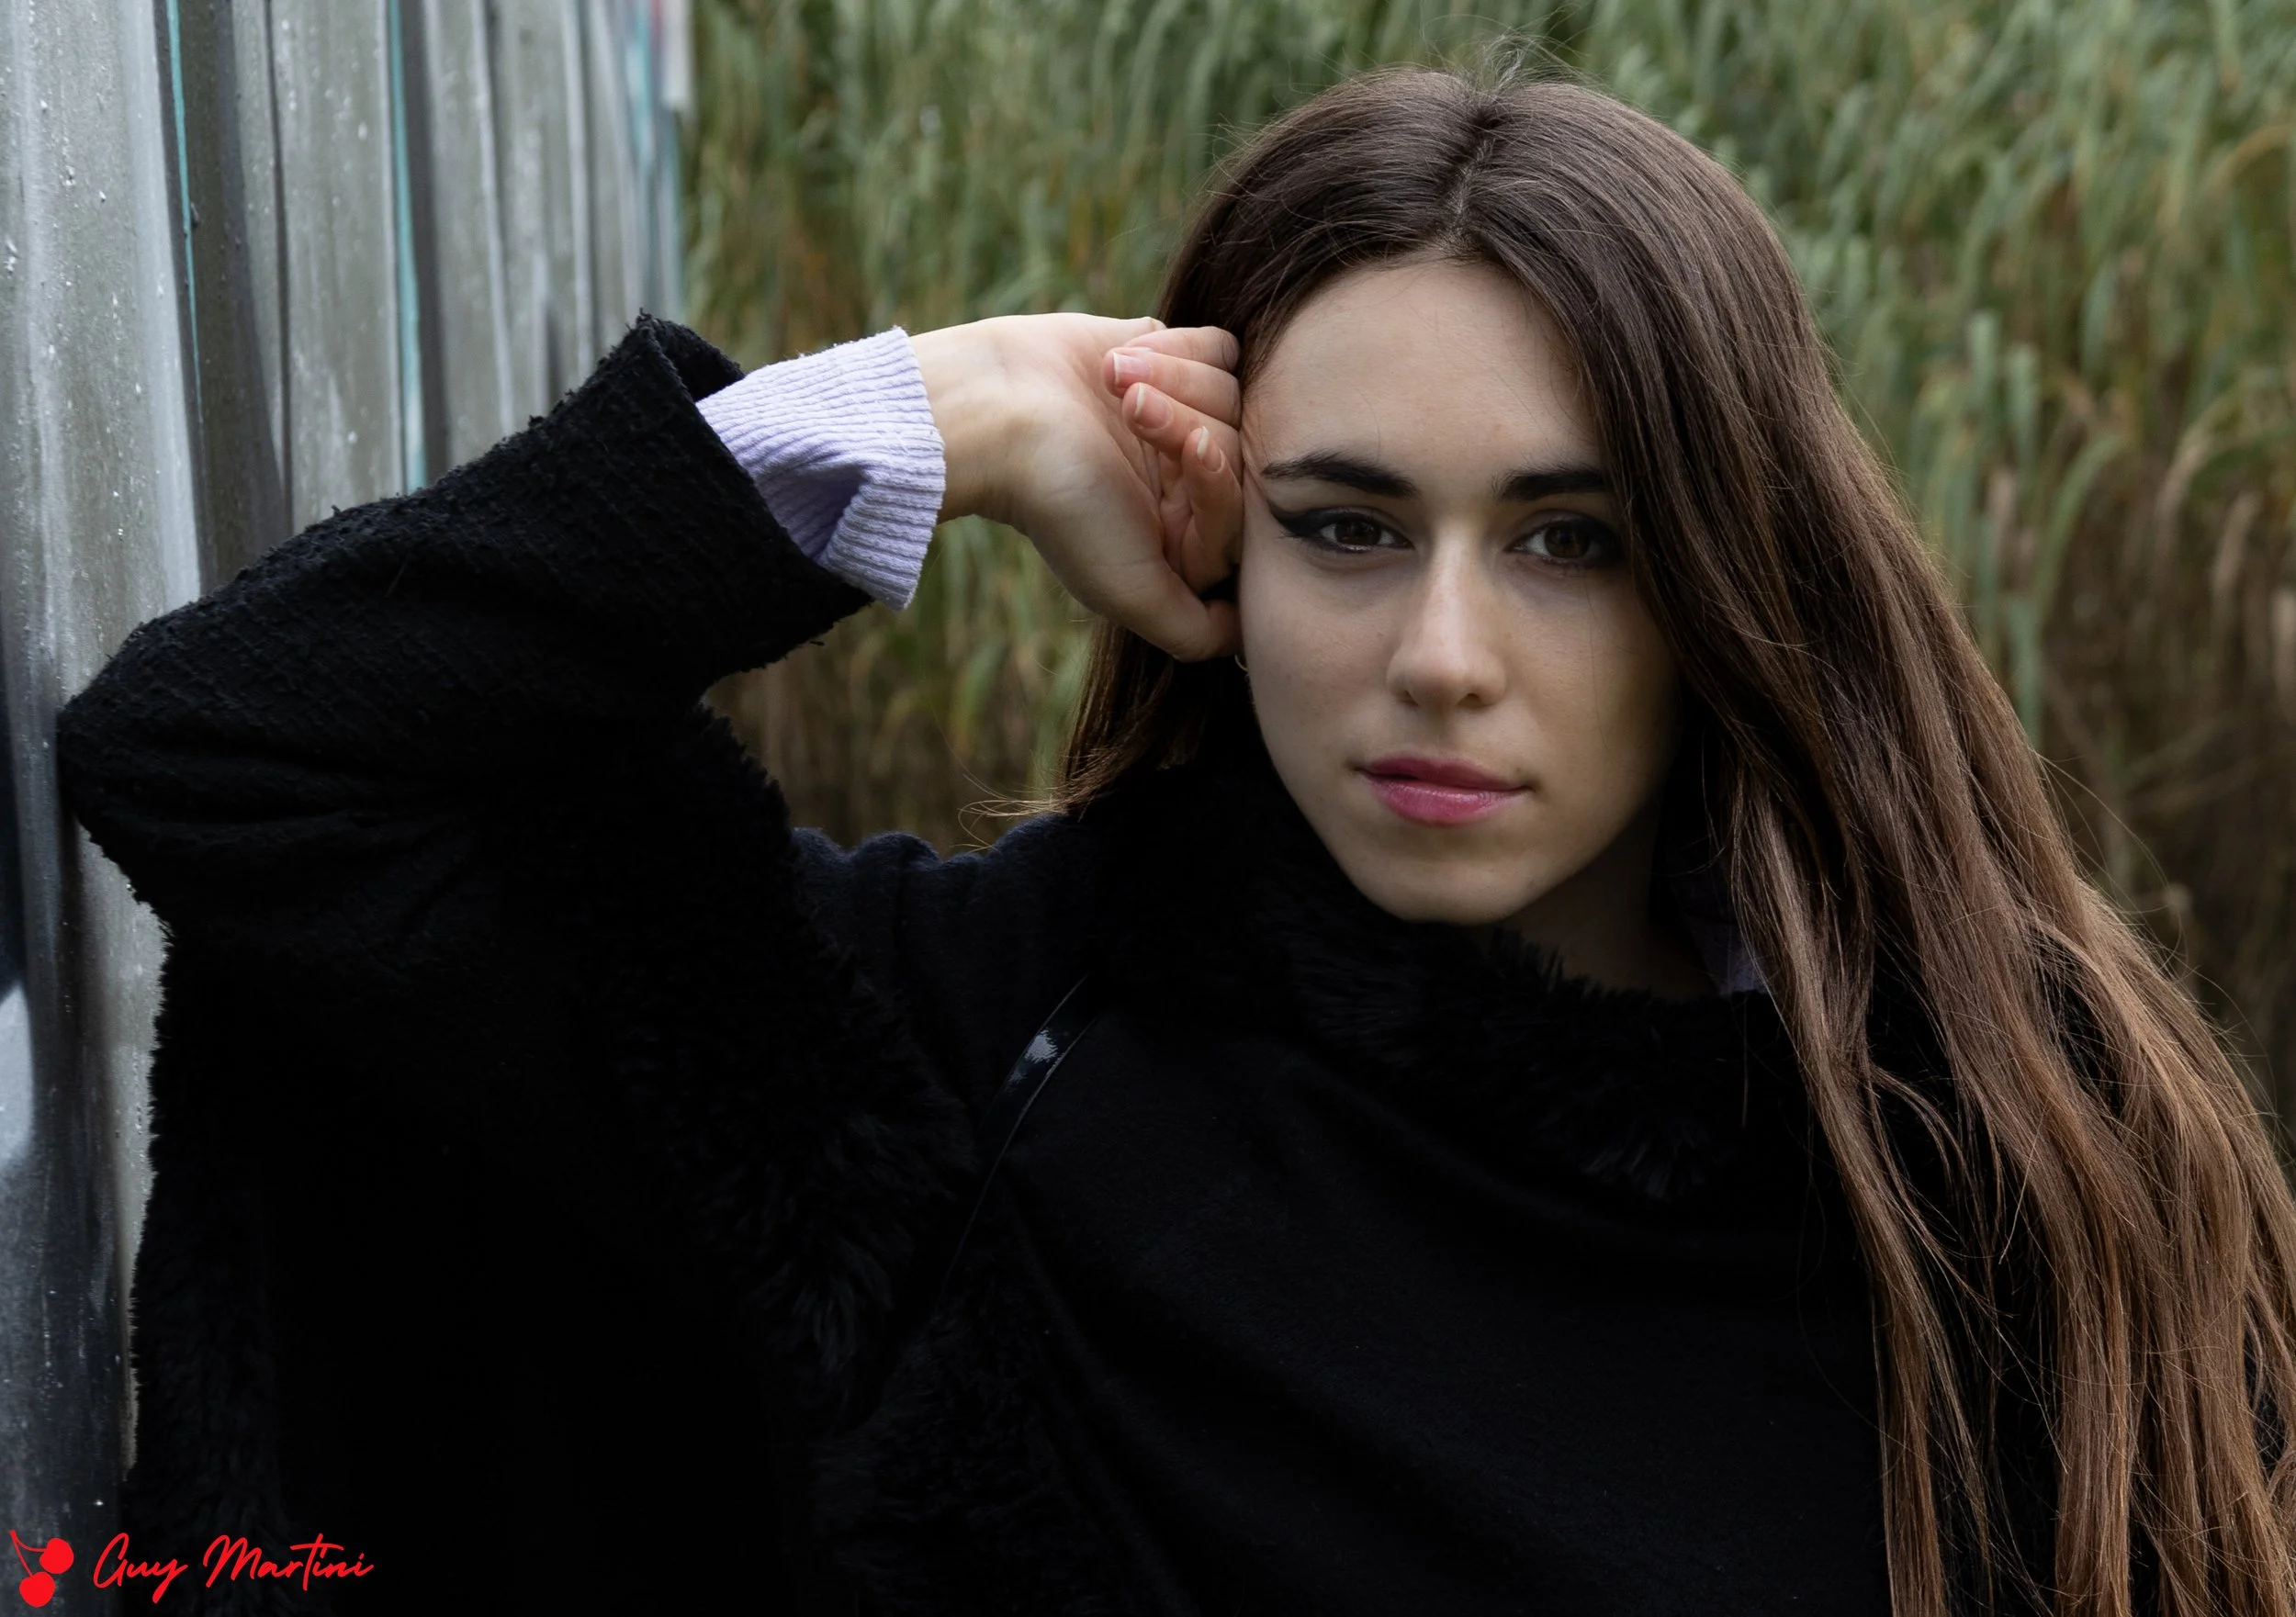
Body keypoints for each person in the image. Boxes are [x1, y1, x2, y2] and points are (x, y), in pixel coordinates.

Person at [57, 64, 2296, 1617]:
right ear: (1214, 539)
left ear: (1729, 577)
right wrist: (942, 415)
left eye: (1569, 540)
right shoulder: (972, 1055)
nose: (1438, 657)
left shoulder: (2022, 1181)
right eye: (1343, 525)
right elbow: (235, 746)